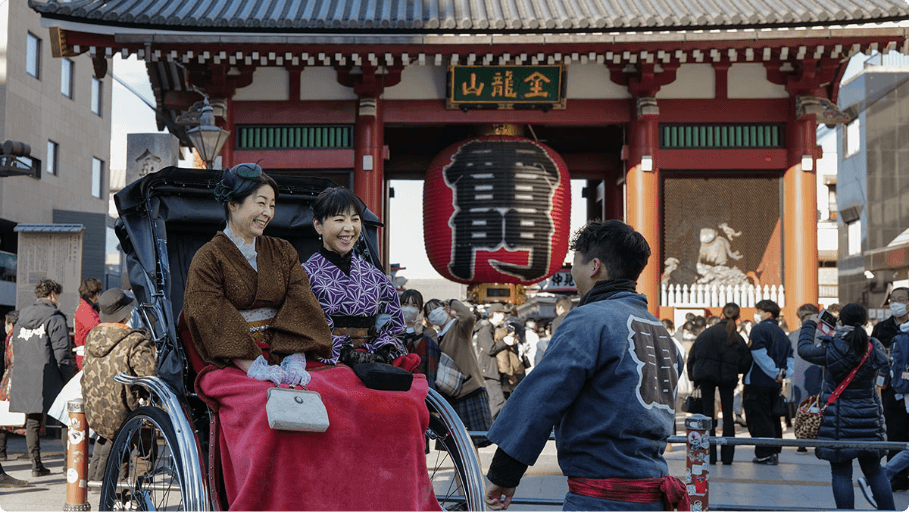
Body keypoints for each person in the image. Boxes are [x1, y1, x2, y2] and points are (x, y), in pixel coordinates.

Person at [185, 164, 439, 511]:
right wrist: (255, 365)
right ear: (232, 203)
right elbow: (210, 312)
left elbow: (300, 305)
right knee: (268, 409)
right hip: (233, 359)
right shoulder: (208, 258)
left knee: (348, 397)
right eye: (260, 203)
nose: (267, 212)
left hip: (289, 352)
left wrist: (295, 355)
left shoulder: (282, 252)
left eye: (272, 205)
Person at [484, 220, 686, 511]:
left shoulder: (589, 319)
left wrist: (505, 472)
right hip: (653, 493)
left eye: (574, 264)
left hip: (600, 497)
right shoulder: (659, 330)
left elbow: (542, 397)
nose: (573, 273)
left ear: (594, 266)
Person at [798, 304, 894, 510]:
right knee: (875, 471)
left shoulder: (831, 347)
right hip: (869, 419)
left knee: (841, 472)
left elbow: (804, 350)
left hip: (838, 420)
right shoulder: (873, 346)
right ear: (866, 322)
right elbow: (886, 363)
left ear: (840, 321)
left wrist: (810, 324)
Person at [302, 186, 410, 368]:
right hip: (325, 363)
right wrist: (344, 352)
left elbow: (393, 324)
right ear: (318, 226)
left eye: (355, 220)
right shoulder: (304, 274)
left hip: (373, 360)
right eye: (339, 220)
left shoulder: (375, 276)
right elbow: (302, 327)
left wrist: (382, 352)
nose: (349, 228)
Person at [82, 288, 157, 485]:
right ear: (127, 313)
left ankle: (118, 496)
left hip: (98, 413)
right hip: (128, 413)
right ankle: (138, 496)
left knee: (118, 449)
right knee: (145, 450)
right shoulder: (135, 340)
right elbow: (150, 378)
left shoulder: (92, 337)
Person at [9, 278, 74, 477]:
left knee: (33, 421)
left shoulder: (21, 317)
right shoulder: (55, 317)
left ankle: (36, 466)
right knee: (65, 418)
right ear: (53, 294)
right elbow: (62, 353)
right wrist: (68, 379)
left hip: (26, 375)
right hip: (51, 376)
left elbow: (16, 347)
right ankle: (68, 465)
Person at [687, 302, 752, 465]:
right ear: (738, 317)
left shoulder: (706, 334)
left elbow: (692, 356)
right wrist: (737, 371)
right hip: (728, 378)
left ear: (721, 315)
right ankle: (728, 457)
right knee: (728, 416)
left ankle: (710, 456)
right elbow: (746, 361)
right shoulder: (737, 337)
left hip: (705, 377)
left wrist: (693, 378)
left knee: (708, 414)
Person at [425, 298, 493, 446]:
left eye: (436, 308)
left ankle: (471, 470)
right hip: (451, 393)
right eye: (429, 312)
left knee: (471, 442)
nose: (433, 313)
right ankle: (461, 470)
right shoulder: (436, 337)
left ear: (445, 308)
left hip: (470, 388)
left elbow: (468, 316)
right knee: (456, 444)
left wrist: (453, 302)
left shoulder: (458, 327)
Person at [744, 299, 794, 465]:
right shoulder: (782, 334)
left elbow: (758, 354)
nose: (756, 314)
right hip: (775, 384)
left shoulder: (758, 329)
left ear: (768, 313)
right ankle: (774, 451)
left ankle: (765, 453)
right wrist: (783, 374)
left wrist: (774, 372)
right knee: (773, 418)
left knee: (759, 418)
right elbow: (790, 358)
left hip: (758, 381)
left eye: (759, 311)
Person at [872, 287, 909, 491]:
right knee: (895, 434)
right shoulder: (882, 328)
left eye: (901, 299)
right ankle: (897, 477)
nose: (895, 303)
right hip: (891, 391)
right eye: (893, 299)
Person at [789, 303, 824, 453]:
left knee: (801, 408)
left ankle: (801, 441)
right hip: (818, 374)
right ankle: (819, 439)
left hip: (798, 376)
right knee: (819, 407)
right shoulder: (823, 335)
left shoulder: (794, 335)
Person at [399, 289, 440, 389]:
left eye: (414, 306)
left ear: (420, 310)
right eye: (405, 304)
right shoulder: (393, 331)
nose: (408, 309)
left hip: (420, 385)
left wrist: (419, 335)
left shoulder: (429, 333)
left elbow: (434, 360)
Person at [475, 303, 508, 419]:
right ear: (495, 314)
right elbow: (490, 348)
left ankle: (490, 430)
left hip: (489, 371)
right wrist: (505, 342)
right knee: (497, 401)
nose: (504, 316)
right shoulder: (486, 328)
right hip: (488, 371)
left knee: (495, 401)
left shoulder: (490, 328)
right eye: (503, 313)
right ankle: (490, 431)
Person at [0, 311, 20, 463]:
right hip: (11, 378)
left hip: (10, 379)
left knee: (4, 417)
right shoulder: (12, 336)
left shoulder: (13, 337)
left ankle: (2, 451)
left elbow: (11, 359)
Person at [74, 277, 103, 370]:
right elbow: (97, 327)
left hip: (88, 352)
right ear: (94, 294)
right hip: (86, 354)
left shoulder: (87, 307)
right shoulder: (85, 309)